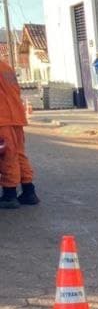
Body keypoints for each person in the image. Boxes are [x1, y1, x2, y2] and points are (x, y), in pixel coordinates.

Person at [0, 58, 36, 209]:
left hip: (3, 118)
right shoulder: (6, 66)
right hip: (16, 116)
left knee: (7, 155)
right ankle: (29, 192)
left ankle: (10, 195)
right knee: (19, 154)